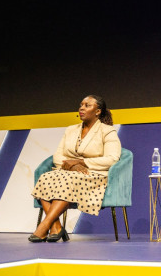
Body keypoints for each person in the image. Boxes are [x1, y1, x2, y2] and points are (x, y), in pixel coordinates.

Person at [29, 95, 121, 242]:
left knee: (67, 180)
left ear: (97, 111)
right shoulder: (71, 130)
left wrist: (81, 162)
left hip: (93, 174)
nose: (81, 108)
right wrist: (72, 165)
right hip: (68, 171)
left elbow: (112, 158)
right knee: (45, 177)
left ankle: (44, 226)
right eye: (81, 105)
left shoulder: (107, 131)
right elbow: (58, 156)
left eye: (87, 105)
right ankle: (56, 227)